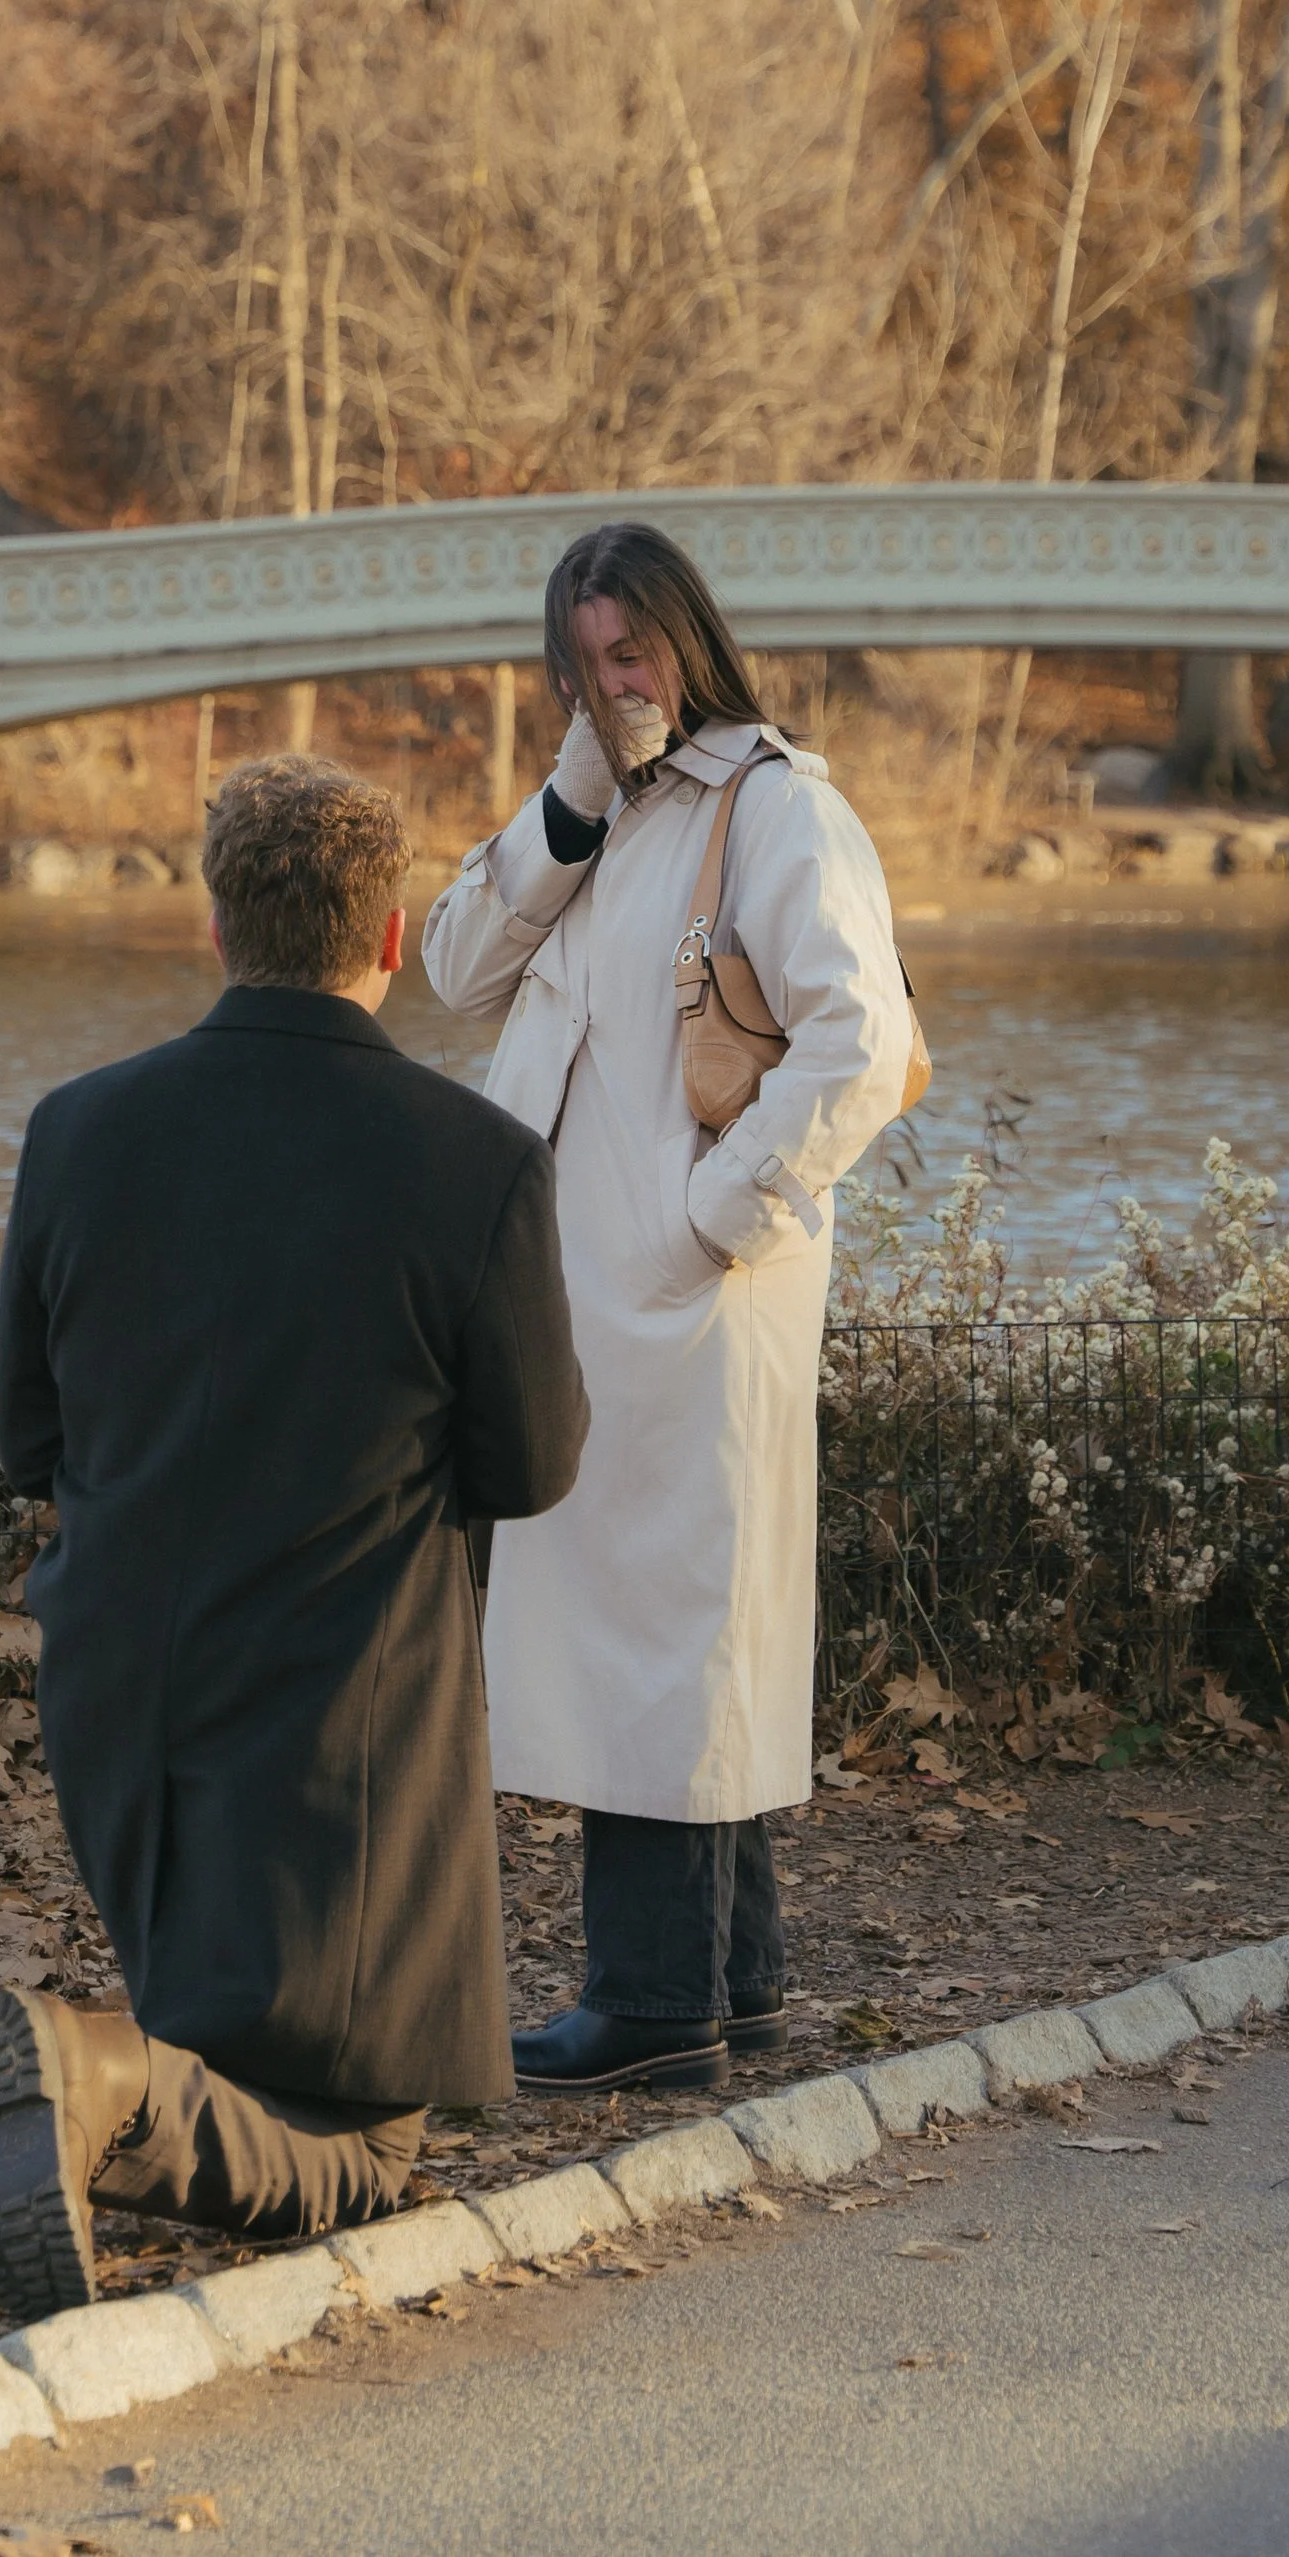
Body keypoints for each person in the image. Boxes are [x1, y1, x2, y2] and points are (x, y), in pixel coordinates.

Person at [0, 752, 588, 2318]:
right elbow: (533, 1463)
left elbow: (26, 1440)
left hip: (124, 1704)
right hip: (344, 1722)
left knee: (264, 2079)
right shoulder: (480, 1164)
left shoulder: (77, 1130)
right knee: (368, 2159)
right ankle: (101, 2080)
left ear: (218, 925)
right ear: (389, 938)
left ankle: (114, 2087)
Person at [421, 522, 912, 2096]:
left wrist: (709, 1226)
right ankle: (733, 1983)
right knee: (672, 1632)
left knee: (665, 1634)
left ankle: (648, 2006)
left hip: (688, 1306)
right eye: (581, 663)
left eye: (630, 655)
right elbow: (450, 972)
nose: (612, 686)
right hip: (590, 1308)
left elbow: (860, 1043)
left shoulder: (779, 811)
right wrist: (572, 785)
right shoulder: (604, 822)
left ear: (690, 640)